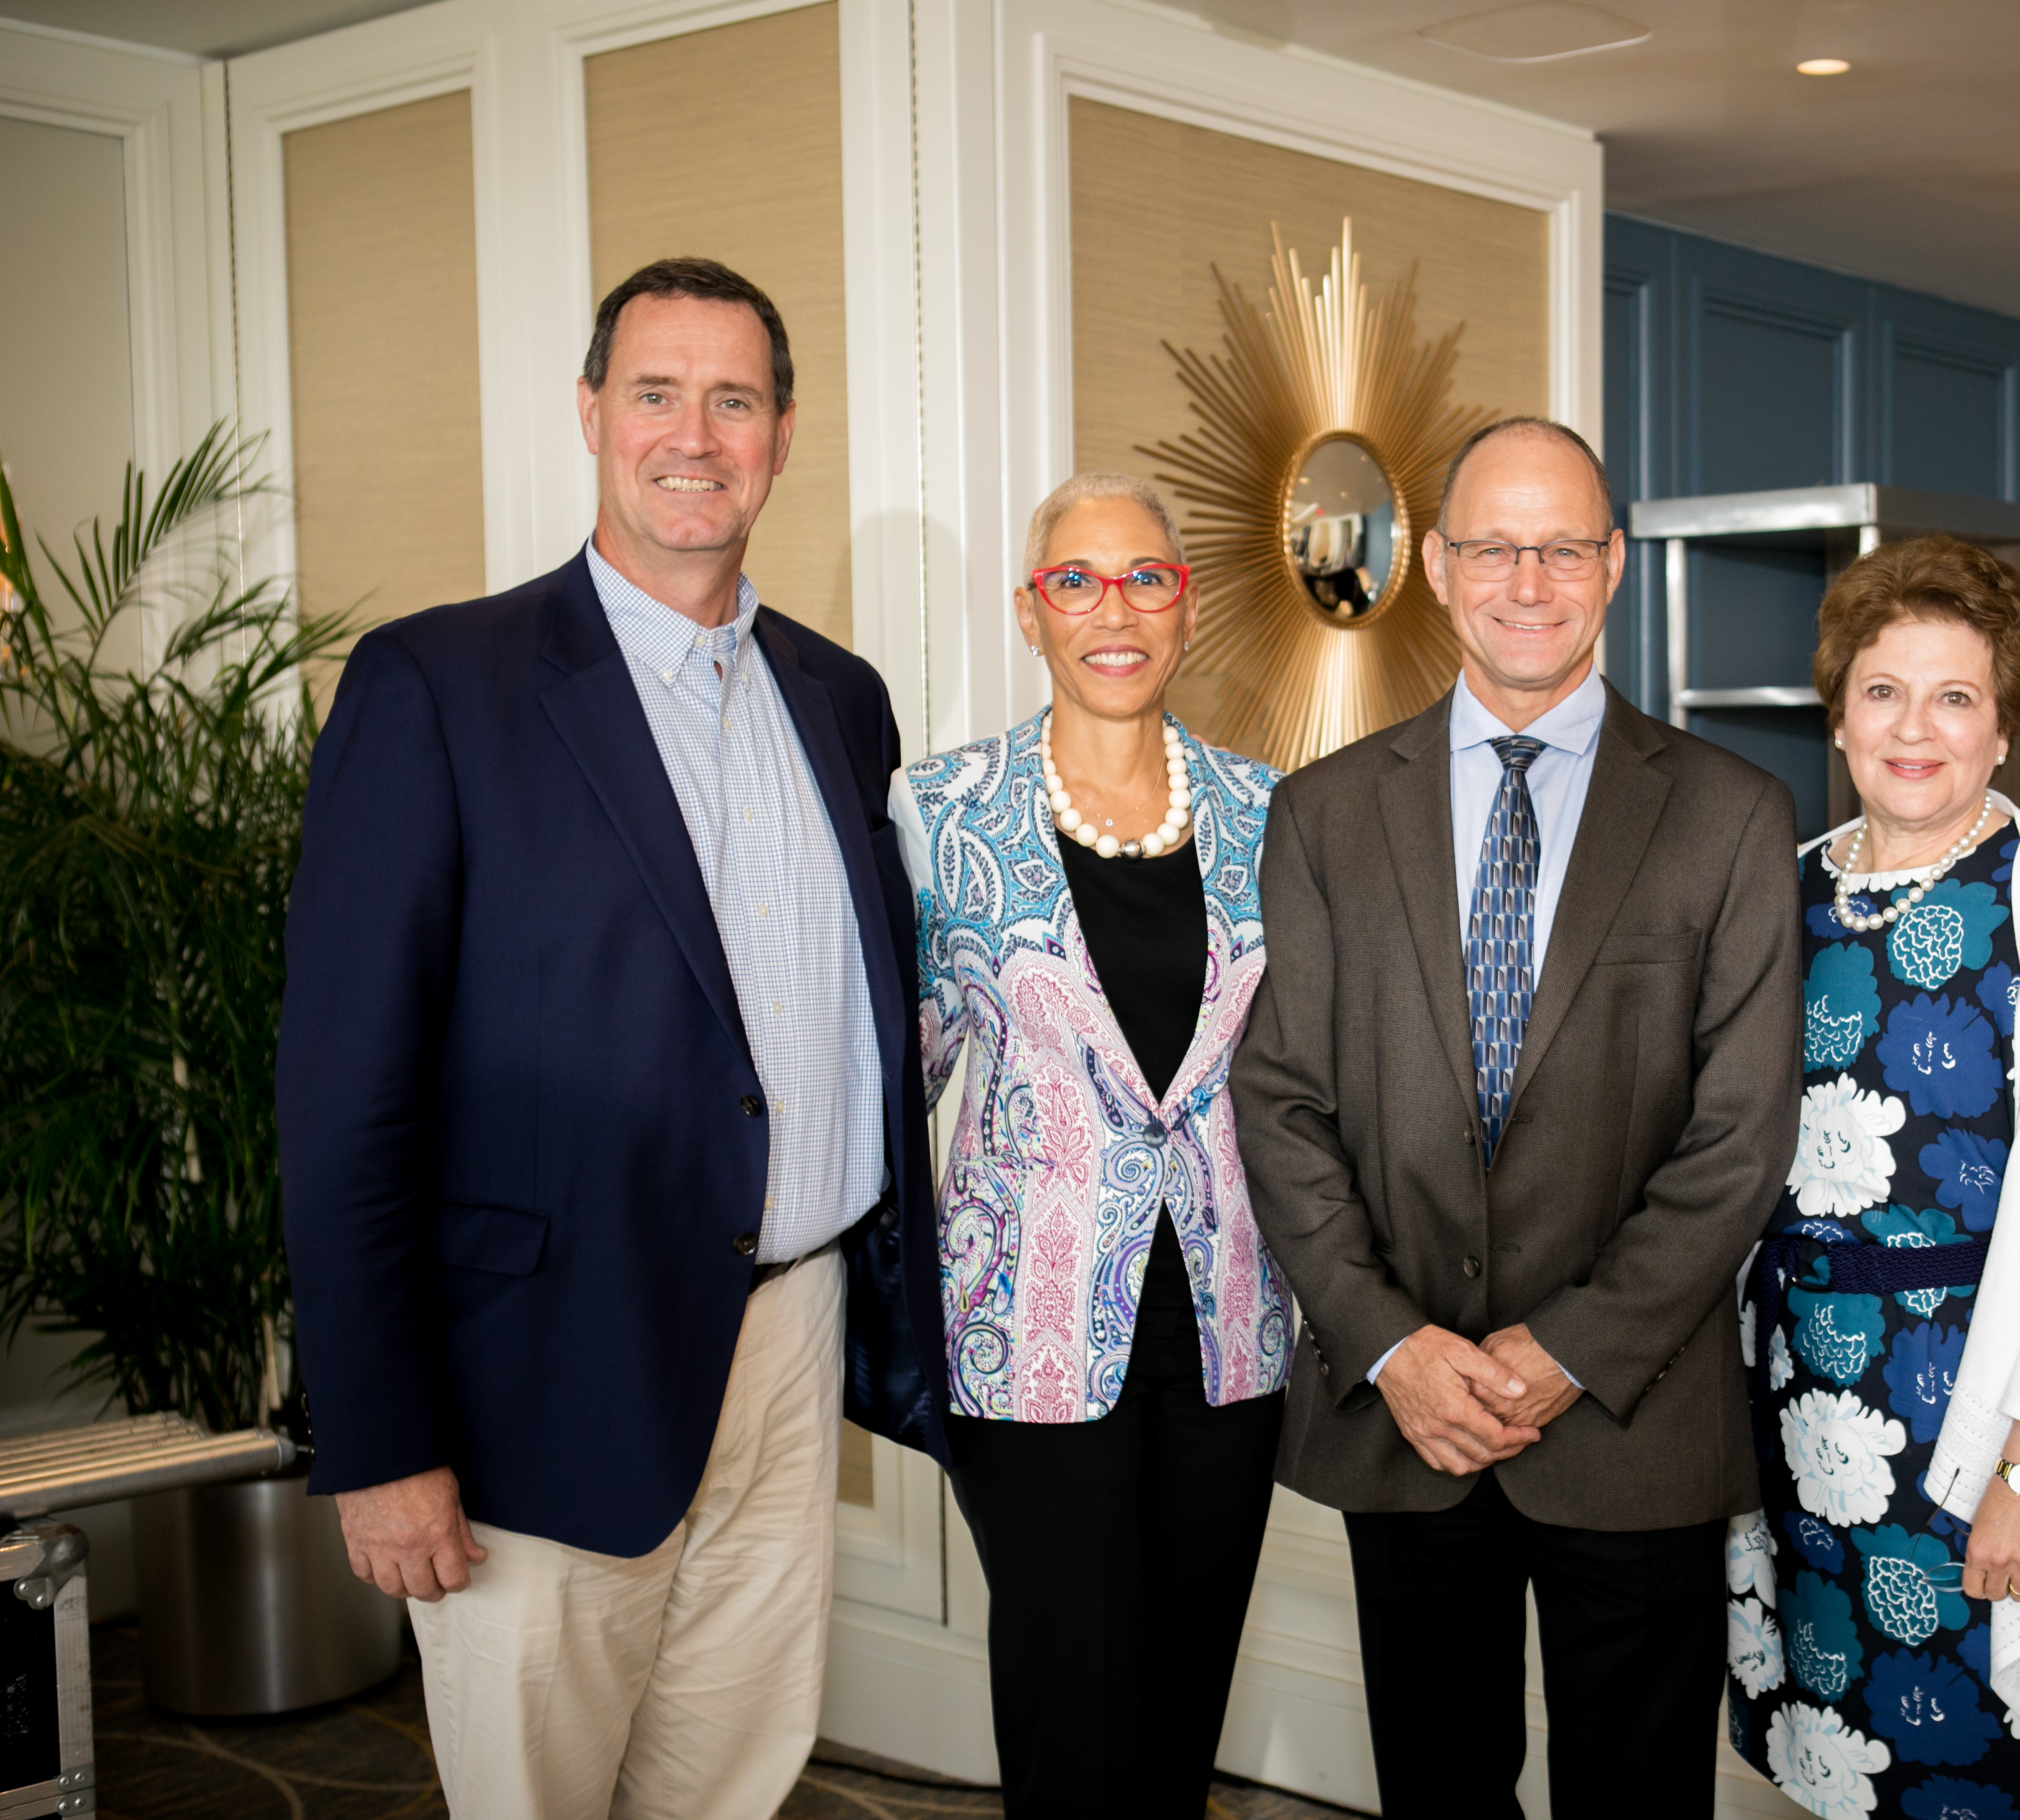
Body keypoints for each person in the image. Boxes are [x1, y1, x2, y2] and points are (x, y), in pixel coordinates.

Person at [278, 256, 945, 1818]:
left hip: (789, 1340)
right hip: (543, 1371)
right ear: (592, 416)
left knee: (731, 1778)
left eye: (735, 399)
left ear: (783, 434)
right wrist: (378, 1443)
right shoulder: (440, 686)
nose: (693, 433)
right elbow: (342, 1100)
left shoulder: (840, 699)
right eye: (656, 393)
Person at [1233, 418, 1801, 1817]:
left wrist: (1569, 1351)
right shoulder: (1323, 814)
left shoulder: (1730, 814)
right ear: (1437, 564)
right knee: (1438, 1793)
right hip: (1409, 1420)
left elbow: (1739, 1137)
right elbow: (1283, 1100)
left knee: (1641, 1801)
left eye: (1562, 547)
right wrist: (1393, 1347)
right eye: (1495, 545)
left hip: (1634, 1416)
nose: (1528, 579)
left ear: (1613, 565)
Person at [1723, 535, 2020, 1820]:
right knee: (1841, 1760)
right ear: (1840, 710)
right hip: (1800, 1412)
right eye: (1883, 691)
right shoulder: (1785, 890)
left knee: (1984, 1751)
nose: (1912, 728)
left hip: (1979, 1416)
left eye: (1954, 697)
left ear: (2003, 727)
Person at [891, 472, 1288, 1817]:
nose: (1111, 608)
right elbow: (898, 1087)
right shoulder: (940, 816)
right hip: (1032, 1336)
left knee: (1183, 1712)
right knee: (1075, 1716)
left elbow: (1301, 1083)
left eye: (1146, 579)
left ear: (1188, 610)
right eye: (1075, 580)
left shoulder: (1271, 815)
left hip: (1231, 1338)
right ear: (1029, 611)